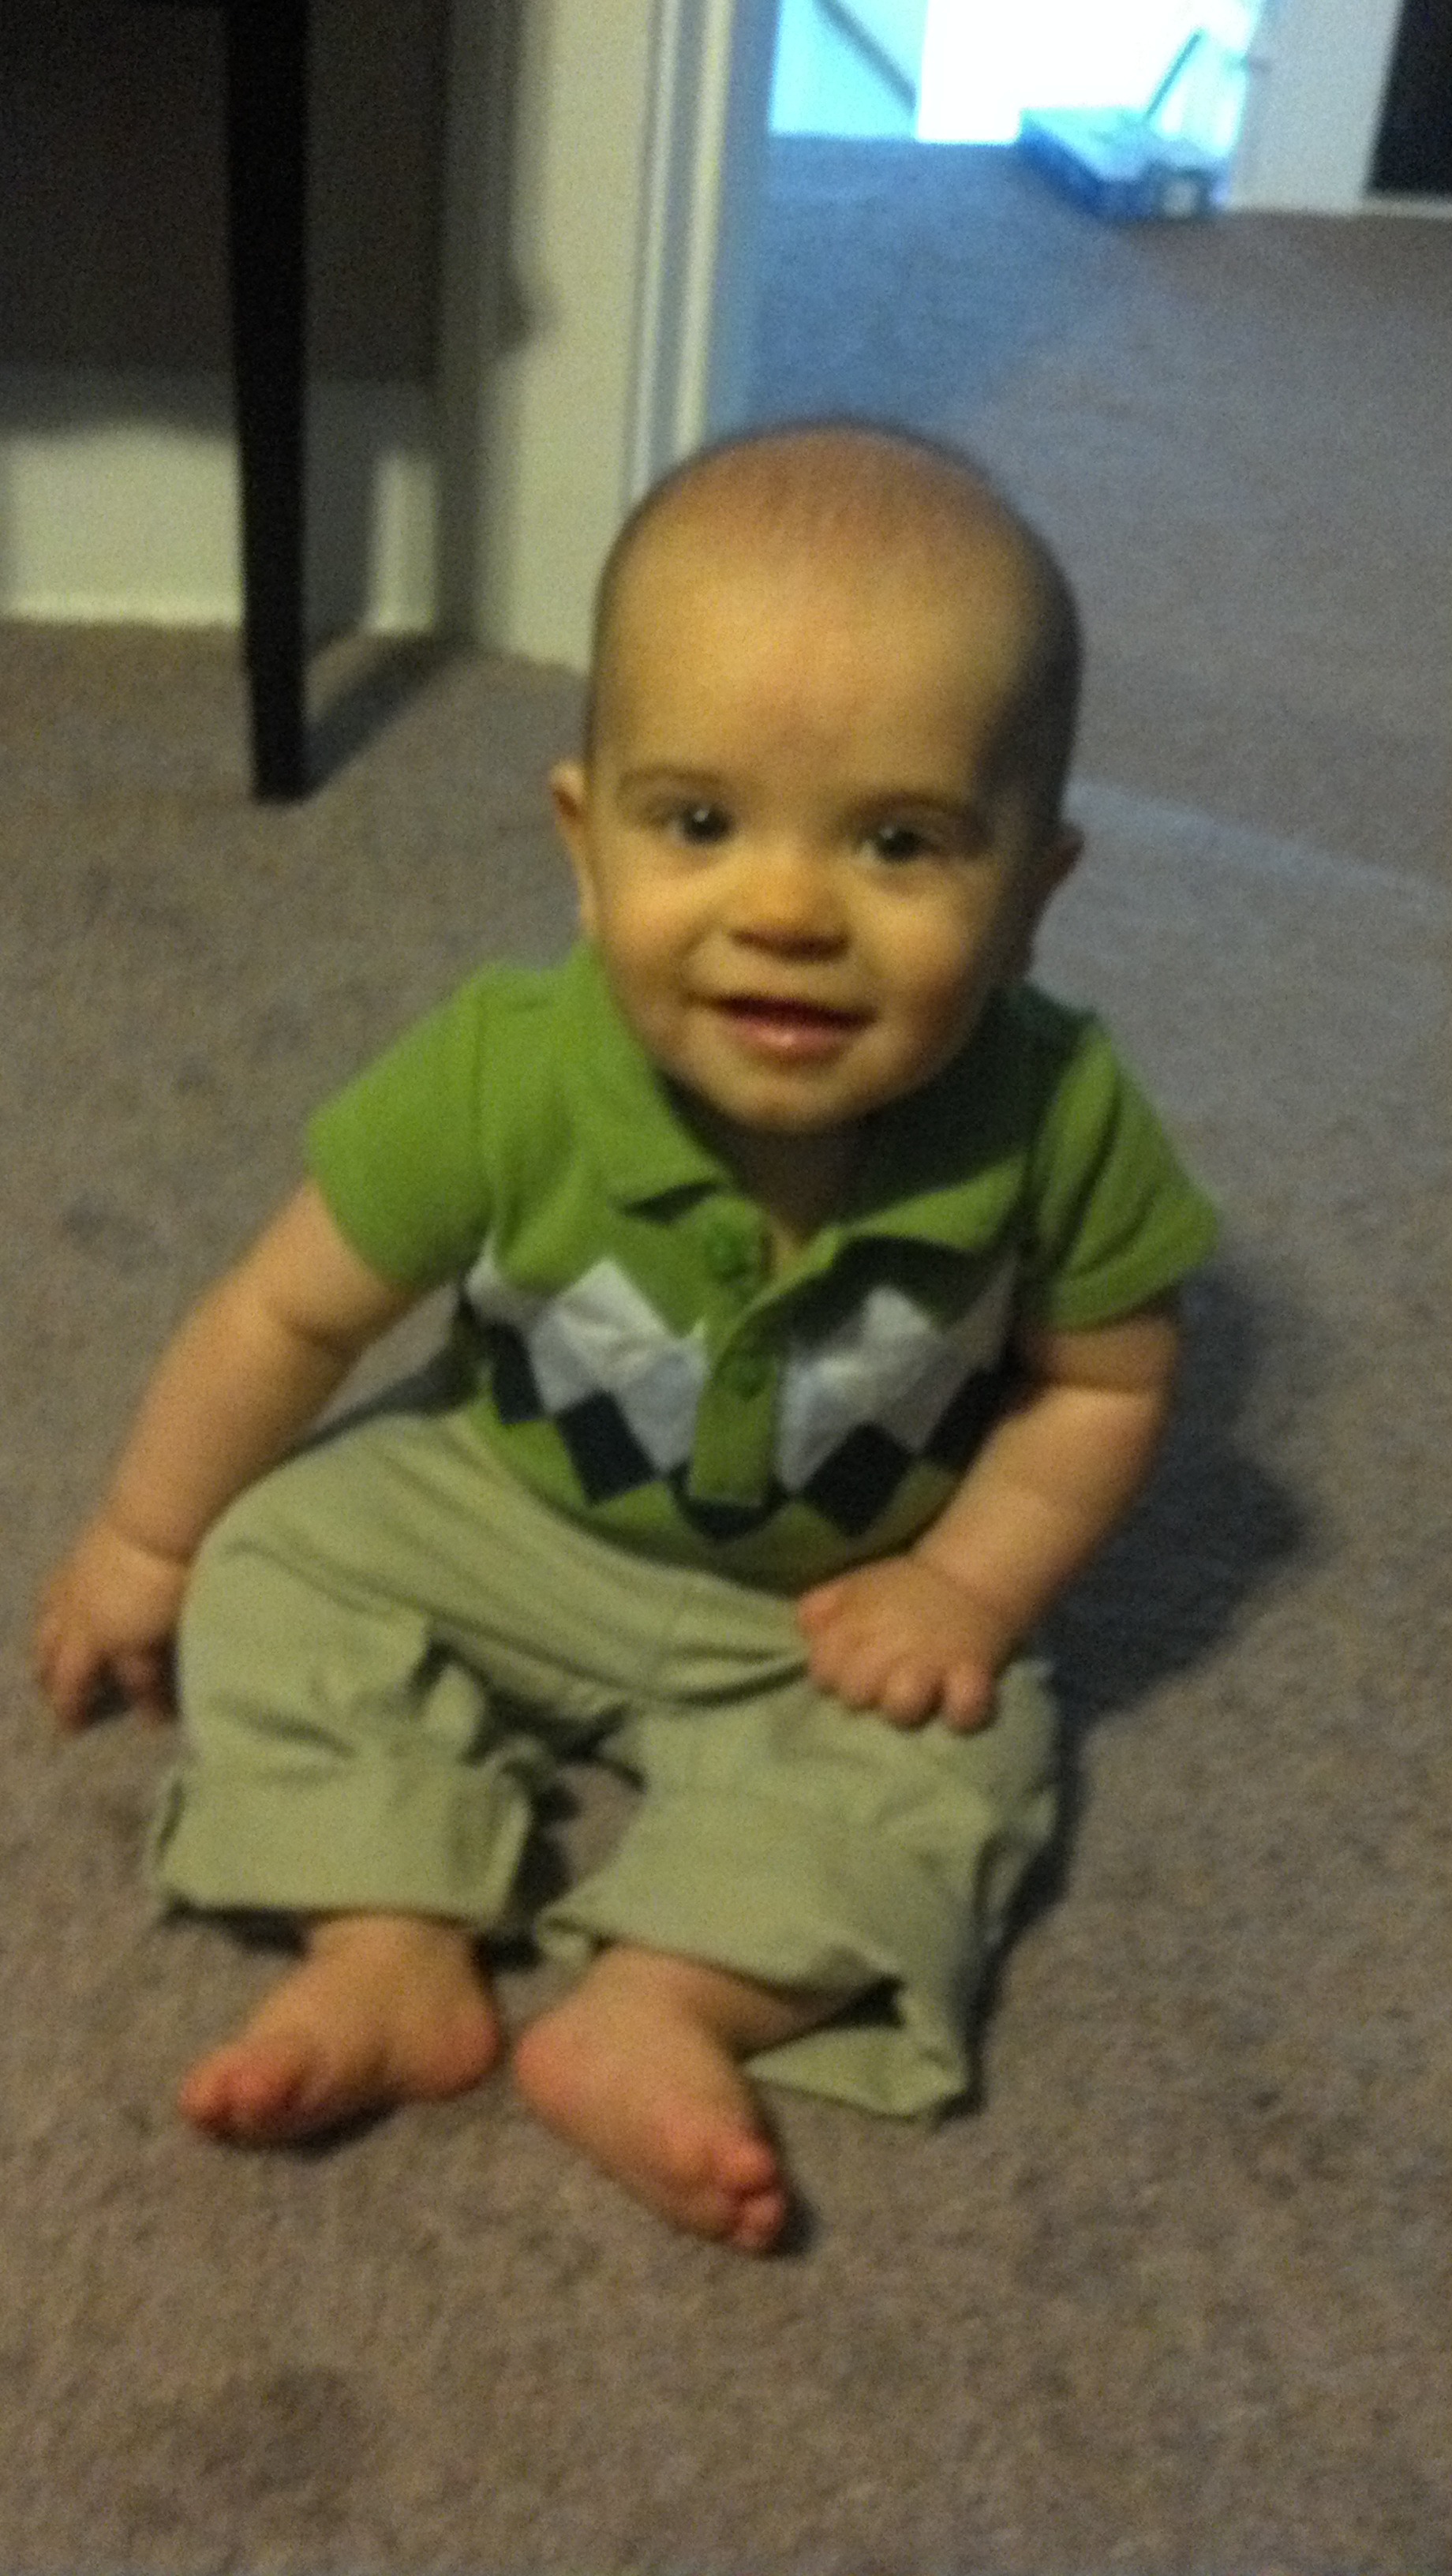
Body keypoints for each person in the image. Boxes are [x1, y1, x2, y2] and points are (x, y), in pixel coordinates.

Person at [33, 423, 1216, 2254]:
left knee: (964, 1763)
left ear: (1029, 897)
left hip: (821, 1611)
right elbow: (288, 1311)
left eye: (897, 842)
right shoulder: (503, 1072)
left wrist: (964, 1589)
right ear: (583, 846)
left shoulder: (1056, 1117)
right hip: (500, 1510)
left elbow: (1101, 1383)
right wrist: (148, 1534)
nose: (785, 911)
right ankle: (390, 1940)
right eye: (698, 823)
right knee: (276, 1566)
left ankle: (663, 2003)